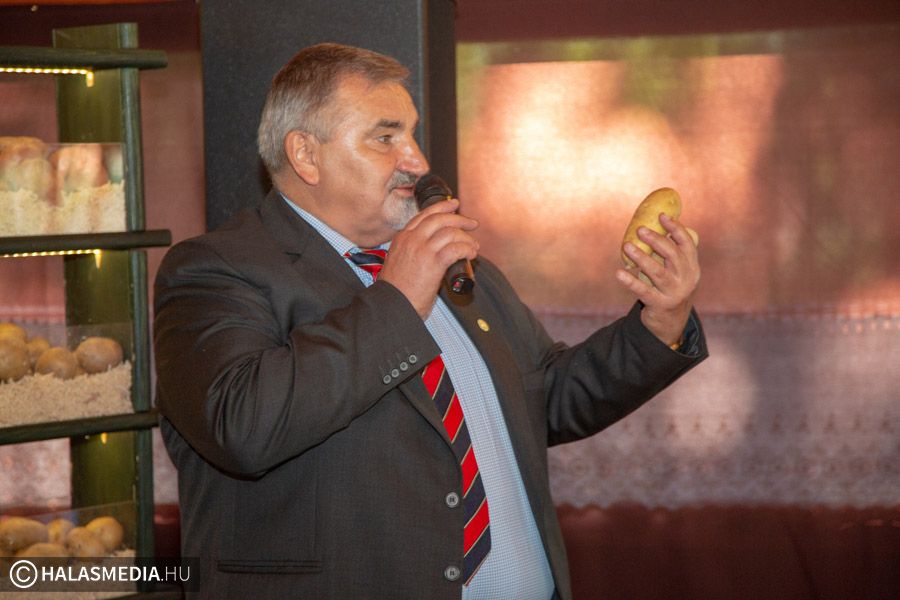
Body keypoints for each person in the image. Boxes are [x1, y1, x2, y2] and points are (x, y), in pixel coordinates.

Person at [153, 43, 708, 600]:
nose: (416, 161)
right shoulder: (216, 269)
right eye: (385, 138)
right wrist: (398, 299)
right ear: (306, 155)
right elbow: (242, 426)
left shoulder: (455, 266)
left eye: (412, 135)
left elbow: (546, 399)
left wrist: (660, 323)